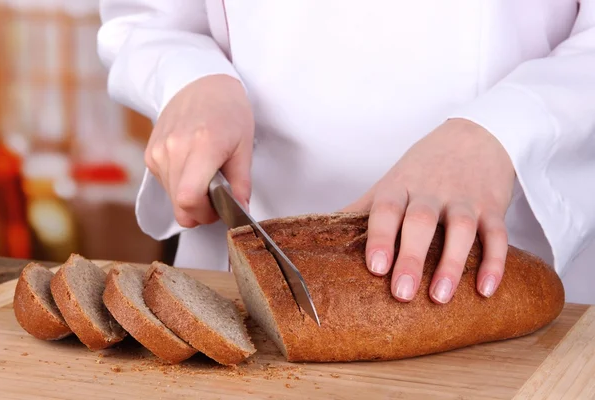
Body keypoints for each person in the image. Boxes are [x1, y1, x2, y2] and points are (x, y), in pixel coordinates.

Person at [97, 1, 595, 305]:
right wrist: (190, 76)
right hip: (241, 248)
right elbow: (150, 18)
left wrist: (507, 130)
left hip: (521, 257)